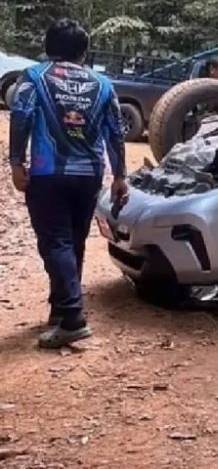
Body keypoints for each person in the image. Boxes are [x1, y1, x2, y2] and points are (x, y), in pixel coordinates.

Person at [8, 19, 129, 348]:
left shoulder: (35, 77)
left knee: (55, 242)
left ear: (49, 47)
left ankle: (73, 319)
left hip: (50, 174)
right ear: (84, 51)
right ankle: (62, 309)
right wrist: (120, 175)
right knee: (72, 242)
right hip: (89, 174)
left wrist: (16, 163)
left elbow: (21, 116)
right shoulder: (103, 84)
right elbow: (116, 130)